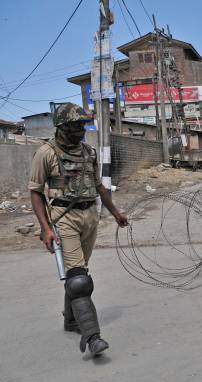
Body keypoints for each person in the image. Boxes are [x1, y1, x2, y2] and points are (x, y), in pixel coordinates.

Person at [29, 103, 128, 356]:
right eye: (75, 125)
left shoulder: (89, 152)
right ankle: (92, 338)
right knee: (80, 281)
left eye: (82, 124)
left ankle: (71, 320)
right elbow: (36, 193)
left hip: (90, 217)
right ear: (61, 127)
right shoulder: (45, 153)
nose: (81, 129)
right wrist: (45, 229)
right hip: (64, 218)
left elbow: (99, 187)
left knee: (78, 273)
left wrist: (115, 213)